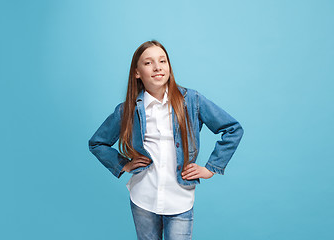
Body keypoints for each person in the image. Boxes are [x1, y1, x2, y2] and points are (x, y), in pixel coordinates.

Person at [88, 40, 243, 240]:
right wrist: (124, 164)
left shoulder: (192, 101)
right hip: (143, 197)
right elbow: (97, 143)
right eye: (148, 63)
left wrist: (211, 168)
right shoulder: (128, 109)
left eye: (162, 61)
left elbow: (232, 129)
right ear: (137, 72)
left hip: (180, 199)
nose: (157, 67)